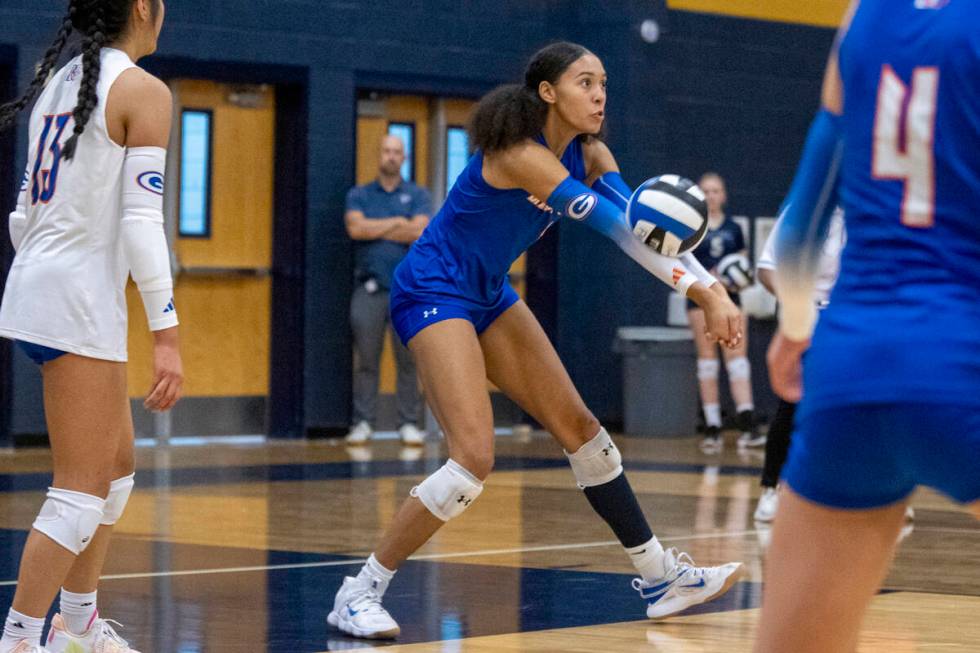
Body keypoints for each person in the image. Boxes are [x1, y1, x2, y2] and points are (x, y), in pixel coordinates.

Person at [327, 41, 745, 641]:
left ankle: (660, 578)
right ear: (548, 92)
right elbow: (613, 227)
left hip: (489, 292)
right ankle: (359, 592)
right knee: (473, 458)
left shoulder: (592, 151)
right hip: (432, 289)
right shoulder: (521, 154)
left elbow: (640, 229)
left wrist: (710, 287)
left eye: (603, 83)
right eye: (584, 83)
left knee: (585, 433)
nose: (599, 95)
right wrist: (704, 293)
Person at [757, 1, 979, 651]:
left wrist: (796, 328)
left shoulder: (862, 16)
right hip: (964, 357)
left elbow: (801, 226)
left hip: (850, 372)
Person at [0, 1, 182, 651]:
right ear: (141, 8)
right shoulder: (142, 90)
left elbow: (23, 214)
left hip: (41, 289)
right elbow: (141, 224)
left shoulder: (62, 80)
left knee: (118, 465)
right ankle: (19, 639)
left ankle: (75, 624)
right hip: (74, 302)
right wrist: (166, 331)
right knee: (79, 490)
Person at [752, 208, 845, 522]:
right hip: (808, 314)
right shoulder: (805, 209)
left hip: (854, 320)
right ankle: (771, 488)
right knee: (792, 404)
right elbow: (767, 268)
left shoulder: (871, 208)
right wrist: (795, 302)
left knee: (862, 409)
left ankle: (870, 496)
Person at [344, 135, 430, 446]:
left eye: (397, 152)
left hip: (407, 295)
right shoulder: (360, 194)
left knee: (408, 361)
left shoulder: (417, 194)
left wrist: (376, 226)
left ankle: (407, 423)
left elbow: (420, 230)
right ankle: (363, 422)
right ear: (379, 155)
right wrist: (396, 221)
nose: (391, 156)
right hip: (369, 290)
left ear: (403, 158)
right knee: (366, 360)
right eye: (386, 151)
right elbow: (356, 229)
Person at [687, 173, 761, 454]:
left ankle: (746, 421)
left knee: (737, 360)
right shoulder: (692, 226)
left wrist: (735, 276)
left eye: (716, 191)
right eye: (706, 191)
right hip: (701, 301)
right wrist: (710, 277)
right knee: (707, 360)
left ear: (724, 195)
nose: (711, 196)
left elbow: (743, 265)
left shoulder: (733, 228)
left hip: (731, 298)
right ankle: (713, 426)